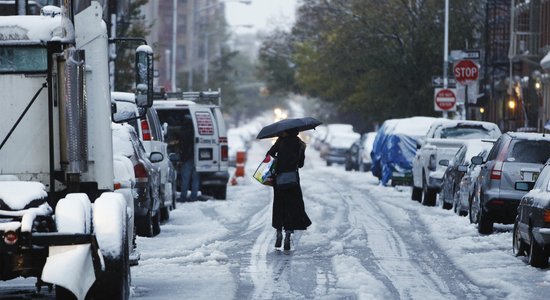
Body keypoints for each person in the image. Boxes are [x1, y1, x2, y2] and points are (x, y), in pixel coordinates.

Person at [267, 129, 312, 250]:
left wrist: (279, 158)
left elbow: (270, 154)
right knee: (291, 207)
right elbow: (301, 164)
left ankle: (278, 233)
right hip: (293, 181)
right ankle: (288, 234)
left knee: (279, 206)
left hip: (279, 180)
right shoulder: (300, 144)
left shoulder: (280, 141)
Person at [179, 115, 199, 202]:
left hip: (187, 158)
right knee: (195, 178)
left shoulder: (183, 132)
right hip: (197, 158)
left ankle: (183, 196)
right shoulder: (196, 131)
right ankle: (193, 196)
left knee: (185, 178)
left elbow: (183, 146)